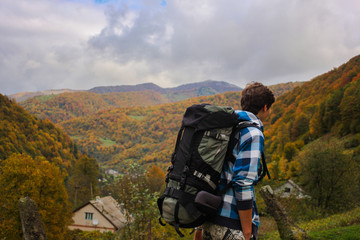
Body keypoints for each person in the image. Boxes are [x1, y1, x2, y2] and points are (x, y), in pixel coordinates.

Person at [194, 82, 275, 240]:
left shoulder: (225, 128)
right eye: (270, 108)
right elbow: (242, 183)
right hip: (231, 223)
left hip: (208, 219)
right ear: (265, 107)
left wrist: (199, 226)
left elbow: (208, 172)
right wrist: (247, 231)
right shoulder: (253, 133)